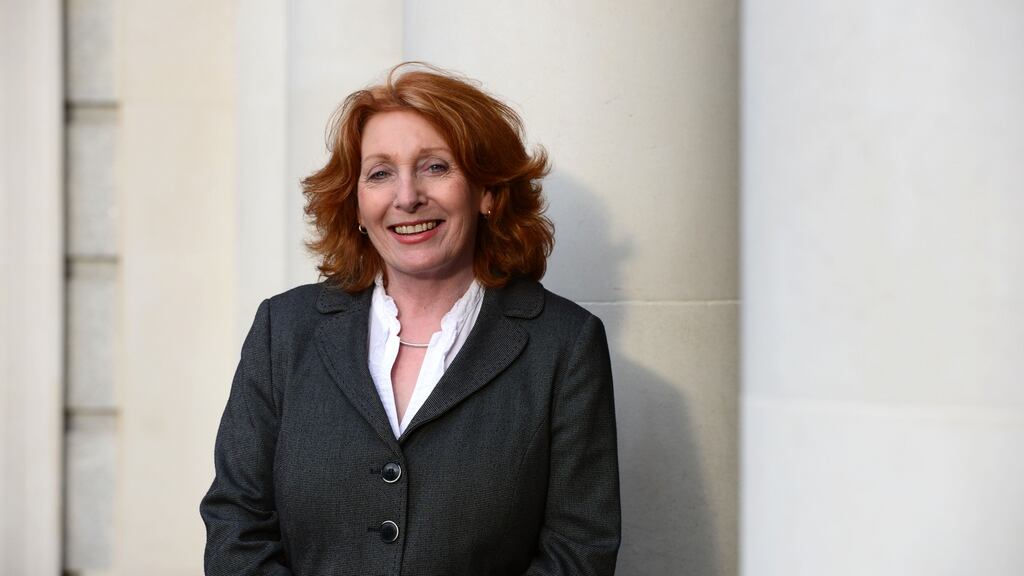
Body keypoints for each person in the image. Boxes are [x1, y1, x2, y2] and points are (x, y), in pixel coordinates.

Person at [200, 63, 620, 576]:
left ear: (487, 193)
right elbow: (236, 525)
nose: (406, 197)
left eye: (436, 167)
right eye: (380, 173)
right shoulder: (284, 330)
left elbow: (579, 550)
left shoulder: (565, 344)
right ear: (355, 204)